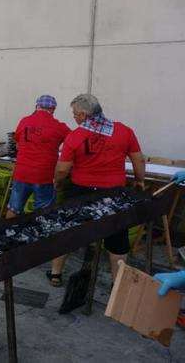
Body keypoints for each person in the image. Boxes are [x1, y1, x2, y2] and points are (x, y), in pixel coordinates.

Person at [49, 94, 145, 286]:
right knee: (117, 238)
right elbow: (139, 160)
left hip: (81, 192)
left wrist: (56, 181)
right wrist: (139, 180)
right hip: (114, 194)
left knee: (68, 232)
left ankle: (56, 274)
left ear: (84, 115)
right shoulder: (124, 131)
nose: (74, 118)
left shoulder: (75, 136)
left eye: (75, 114)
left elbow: (62, 168)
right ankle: (117, 285)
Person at [6, 95, 70, 219]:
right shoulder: (59, 126)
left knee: (13, 209)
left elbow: (18, 144)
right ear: (53, 109)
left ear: (37, 106)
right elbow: (74, 142)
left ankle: (8, 234)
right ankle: (38, 237)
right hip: (44, 176)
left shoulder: (25, 121)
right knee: (42, 214)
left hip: (21, 173)